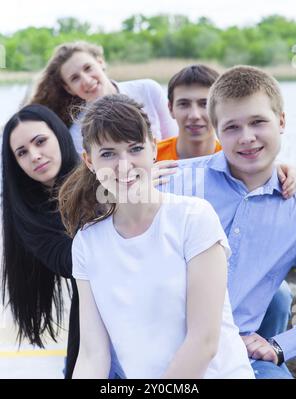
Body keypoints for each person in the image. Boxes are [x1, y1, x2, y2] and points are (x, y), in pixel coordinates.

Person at [58, 94, 254, 379]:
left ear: (153, 149)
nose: (124, 166)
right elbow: (92, 353)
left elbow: (204, 342)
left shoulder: (193, 218)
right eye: (108, 154)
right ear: (89, 161)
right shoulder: (87, 243)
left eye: (135, 148)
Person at [160, 65, 296, 378]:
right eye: (233, 127)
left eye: (258, 122)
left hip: (237, 354)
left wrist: (281, 346)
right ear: (217, 130)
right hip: (158, 347)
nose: (247, 138)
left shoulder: (295, 209)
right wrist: (128, 186)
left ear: (281, 121)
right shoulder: (173, 181)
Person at [2, 104, 79, 379]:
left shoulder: (102, 178)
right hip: (91, 326)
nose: (34, 156)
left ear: (59, 135)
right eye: (22, 153)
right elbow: (68, 262)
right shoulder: (27, 215)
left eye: (40, 141)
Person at [28, 41, 177, 154]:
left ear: (100, 62)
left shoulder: (148, 90)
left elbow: (175, 141)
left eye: (88, 68)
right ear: (69, 89)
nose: (86, 80)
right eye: (75, 78)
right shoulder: (77, 132)